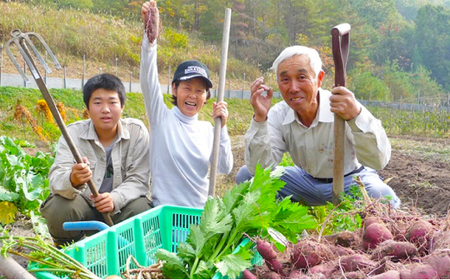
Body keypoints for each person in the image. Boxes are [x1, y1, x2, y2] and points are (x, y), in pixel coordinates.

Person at [236, 45, 401, 208]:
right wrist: (260, 117)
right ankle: (278, 229)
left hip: (349, 181)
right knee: (247, 176)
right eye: (285, 80)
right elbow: (260, 168)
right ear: (278, 83)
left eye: (302, 77)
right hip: (304, 182)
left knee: (383, 198)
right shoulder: (278, 114)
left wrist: (355, 116)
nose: (293, 88)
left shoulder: (342, 106)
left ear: (319, 78)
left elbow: (378, 161)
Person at [140, 1, 233, 208]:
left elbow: (225, 167)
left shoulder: (208, 130)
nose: (193, 95)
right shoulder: (161, 118)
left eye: (200, 90)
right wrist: (150, 42)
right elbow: (148, 80)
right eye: (187, 88)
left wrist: (223, 129)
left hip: (199, 216)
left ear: (207, 96)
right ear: (174, 89)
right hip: (164, 214)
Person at [41, 73, 152, 246]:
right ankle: (69, 250)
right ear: (88, 107)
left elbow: (139, 179)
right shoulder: (73, 134)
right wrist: (73, 179)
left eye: (112, 102)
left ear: (122, 106)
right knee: (58, 207)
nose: (105, 109)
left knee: (142, 208)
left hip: (119, 210)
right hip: (83, 208)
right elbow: (56, 178)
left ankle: (126, 252)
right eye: (98, 102)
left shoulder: (136, 132)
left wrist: (114, 199)